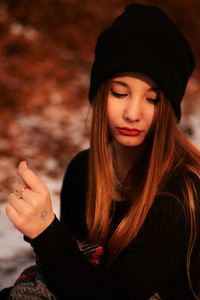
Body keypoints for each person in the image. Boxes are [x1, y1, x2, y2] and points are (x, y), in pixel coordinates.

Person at [1, 3, 200, 300]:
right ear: (100, 93)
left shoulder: (181, 194)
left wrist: (46, 232)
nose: (133, 113)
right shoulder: (83, 171)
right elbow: (70, 278)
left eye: (153, 100)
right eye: (120, 93)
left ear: (169, 110)